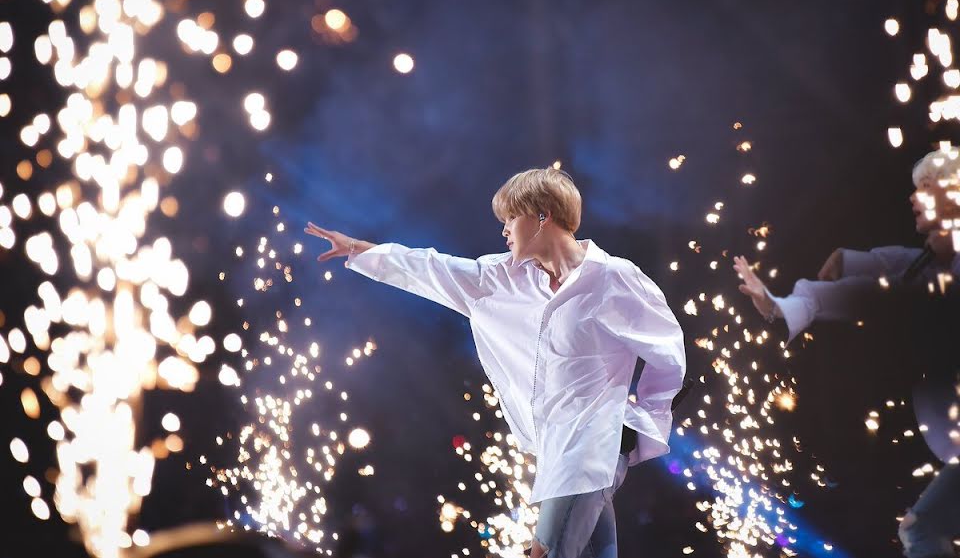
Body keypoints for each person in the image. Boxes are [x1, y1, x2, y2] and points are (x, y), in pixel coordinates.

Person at [305, 167, 686, 558]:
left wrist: (644, 417)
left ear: (543, 215)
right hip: (554, 452)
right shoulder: (500, 280)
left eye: (511, 218)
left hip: (592, 447)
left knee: (545, 552)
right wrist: (358, 248)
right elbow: (430, 268)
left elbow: (667, 350)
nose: (504, 230)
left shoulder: (613, 277)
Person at [733, 146, 960, 558]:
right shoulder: (929, 264)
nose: (913, 197)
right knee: (921, 529)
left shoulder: (939, 280)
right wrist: (848, 263)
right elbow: (892, 266)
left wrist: (787, 304)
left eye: (926, 187)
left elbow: (886, 291)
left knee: (922, 530)